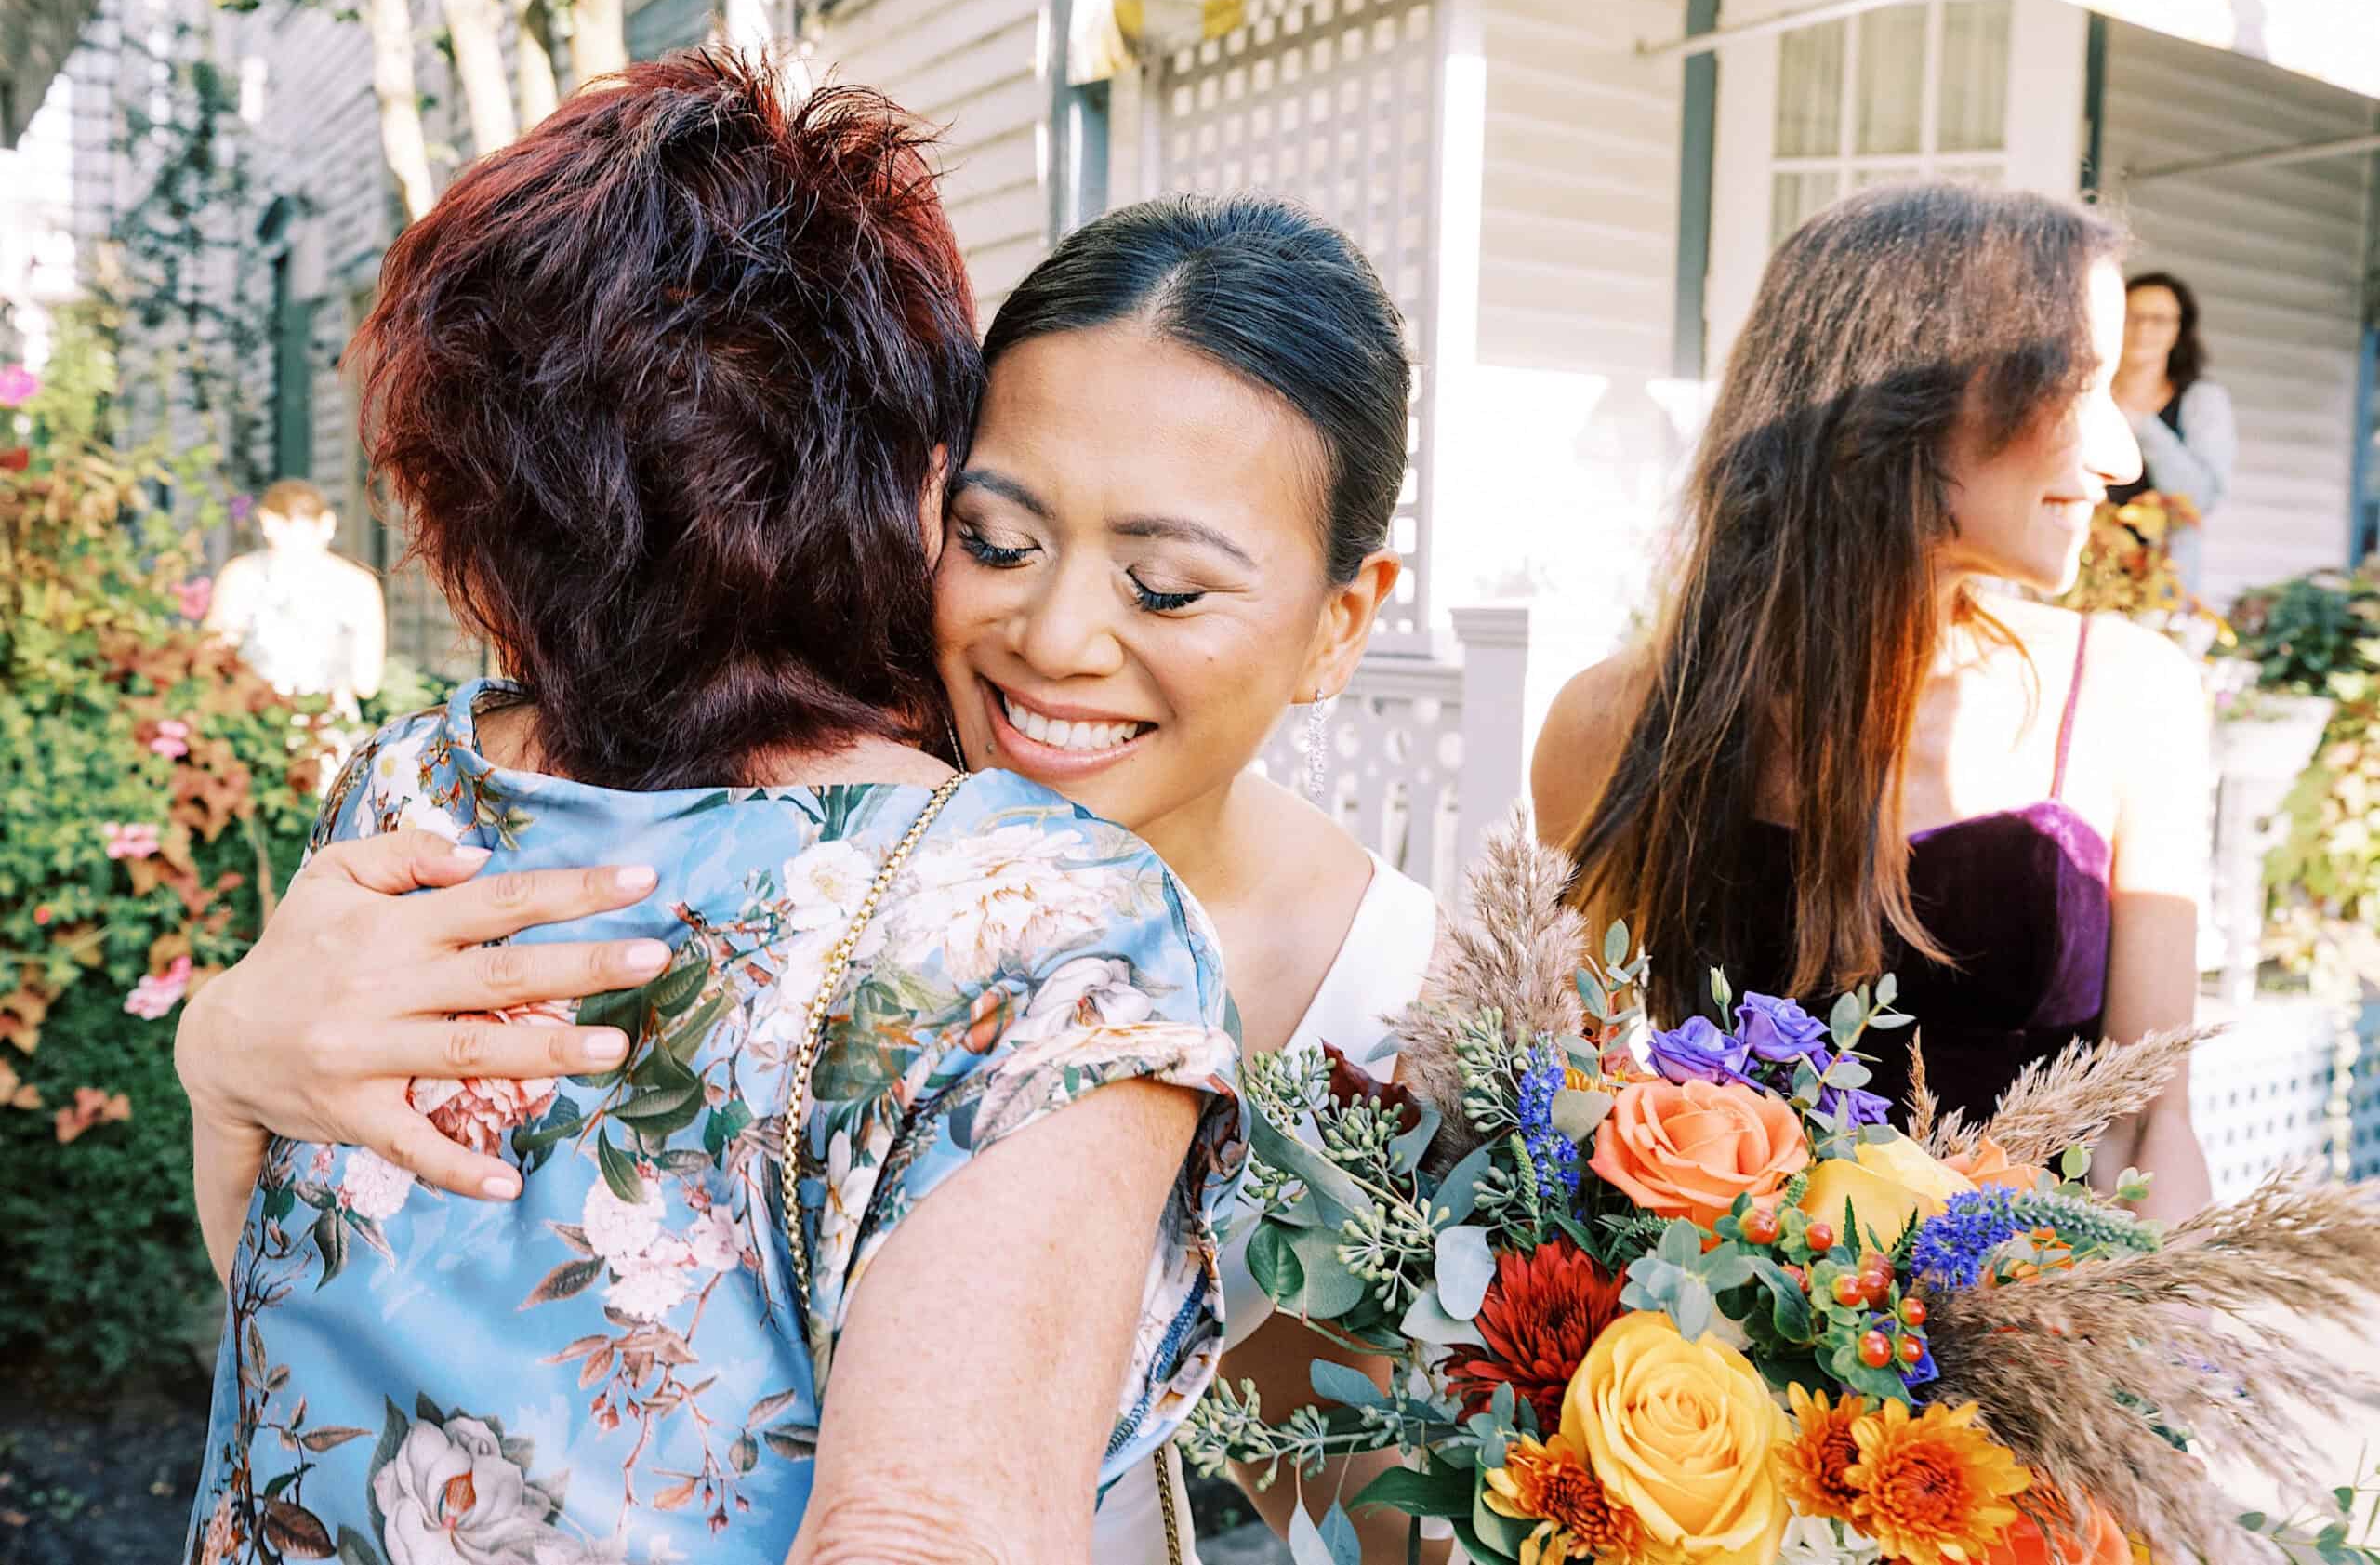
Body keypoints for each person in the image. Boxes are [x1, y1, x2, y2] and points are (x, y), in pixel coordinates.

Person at [176, 192, 1446, 1559]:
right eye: (998, 543)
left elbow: (1382, 1512)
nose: (1058, 636)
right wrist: (228, 1050)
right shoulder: (768, 841)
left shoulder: (1410, 1005)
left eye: (1166, 588)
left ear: (1342, 622)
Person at [1532, 182, 2214, 1223]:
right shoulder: (1620, 723)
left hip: (2043, 1345)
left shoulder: (2129, 697)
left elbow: (2150, 1126)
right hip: (1722, 1364)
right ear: (1907, 398)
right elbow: (1552, 1099)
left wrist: (2154, 1374)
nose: (2117, 458)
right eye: (2077, 385)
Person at [204, 477, 388, 709]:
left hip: (256, 721)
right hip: (329, 726)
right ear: (328, 523)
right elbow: (366, 682)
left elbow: (213, 661)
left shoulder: (241, 577)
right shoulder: (359, 585)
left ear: (267, 522)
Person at [2109, 270, 2236, 591]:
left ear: (2180, 330)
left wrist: (2138, 420)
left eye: (2159, 319)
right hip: (2084, 576)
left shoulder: (2201, 400)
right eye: (2132, 316)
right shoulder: (2083, 392)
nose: (2143, 329)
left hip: (2161, 587)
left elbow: (2199, 497)